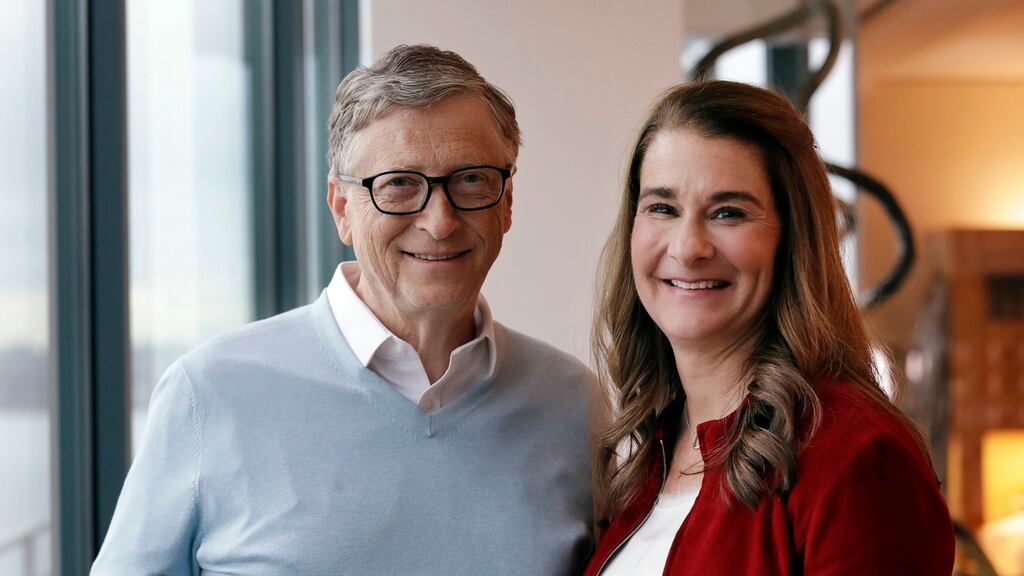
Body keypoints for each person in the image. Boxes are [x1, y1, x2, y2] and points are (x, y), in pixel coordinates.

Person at [93, 44, 598, 576]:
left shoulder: (573, 404)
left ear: (507, 202)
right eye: (399, 184)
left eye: (470, 179)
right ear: (342, 208)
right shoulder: (209, 394)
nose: (440, 221)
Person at [583, 81, 955, 575]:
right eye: (662, 208)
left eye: (728, 212)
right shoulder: (649, 455)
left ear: (792, 239)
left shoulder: (856, 454)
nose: (688, 246)